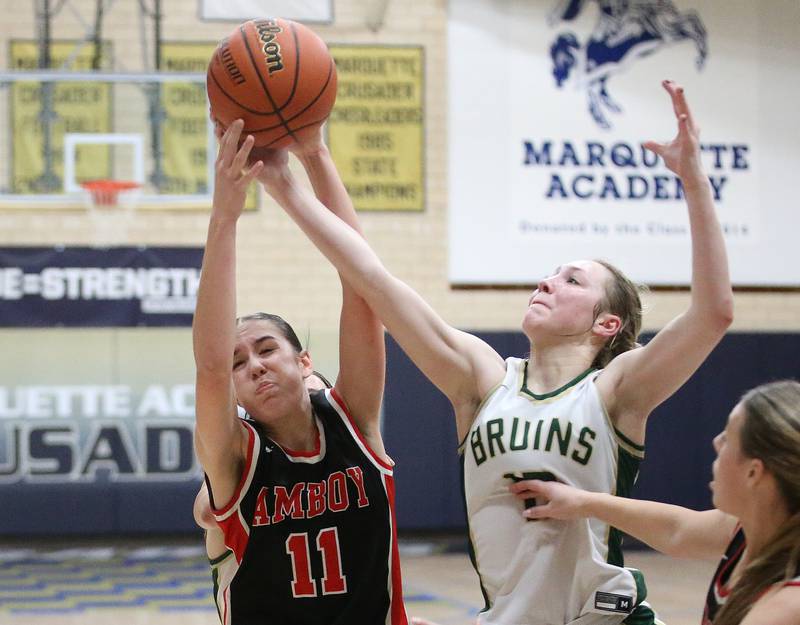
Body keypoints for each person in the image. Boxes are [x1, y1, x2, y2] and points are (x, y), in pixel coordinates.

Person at [256, 79, 733, 625]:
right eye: (550, 273)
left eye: (571, 280)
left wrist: (695, 184)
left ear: (607, 323)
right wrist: (297, 173)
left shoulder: (616, 389)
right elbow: (370, 276)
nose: (547, 282)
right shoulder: (482, 379)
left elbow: (714, 313)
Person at [192, 119, 408, 625]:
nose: (255, 366)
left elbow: (364, 288)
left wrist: (316, 155)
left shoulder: (353, 418)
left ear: (304, 361)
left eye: (267, 349)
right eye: (239, 363)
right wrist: (225, 217)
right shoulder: (235, 457)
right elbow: (208, 368)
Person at [510, 380, 800, 625]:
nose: (716, 443)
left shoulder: (786, 606)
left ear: (754, 472)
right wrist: (583, 502)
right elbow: (678, 530)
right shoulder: (754, 529)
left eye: (728, 438)